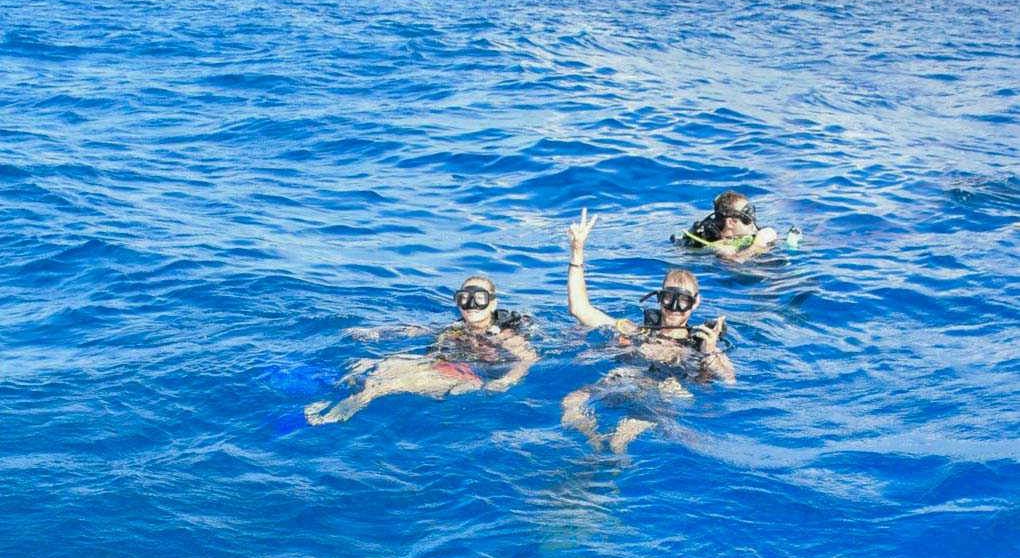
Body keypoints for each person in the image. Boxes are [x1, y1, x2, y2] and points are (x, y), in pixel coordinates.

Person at [563, 209, 734, 453]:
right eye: (668, 299)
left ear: (695, 303)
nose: (674, 308)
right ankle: (592, 448)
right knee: (572, 401)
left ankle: (613, 462)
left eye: (683, 301)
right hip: (625, 380)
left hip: (663, 393)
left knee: (623, 434)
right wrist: (577, 252)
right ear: (658, 299)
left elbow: (729, 381)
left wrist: (710, 353)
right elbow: (580, 310)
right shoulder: (638, 331)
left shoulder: (700, 343)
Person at [304, 277, 537, 425]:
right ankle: (336, 394)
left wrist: (507, 381)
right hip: (442, 364)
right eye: (465, 298)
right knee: (369, 364)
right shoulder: (458, 327)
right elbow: (417, 330)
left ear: (493, 304)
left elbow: (528, 358)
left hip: (471, 377)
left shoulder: (506, 335)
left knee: (381, 385)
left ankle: (340, 412)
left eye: (479, 298)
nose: (471, 305)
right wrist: (378, 332)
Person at [672, 190, 778, 262]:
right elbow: (735, 263)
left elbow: (770, 233)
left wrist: (757, 244)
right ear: (730, 222)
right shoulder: (717, 247)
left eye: (752, 213)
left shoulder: (757, 235)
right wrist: (756, 246)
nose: (752, 221)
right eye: (746, 216)